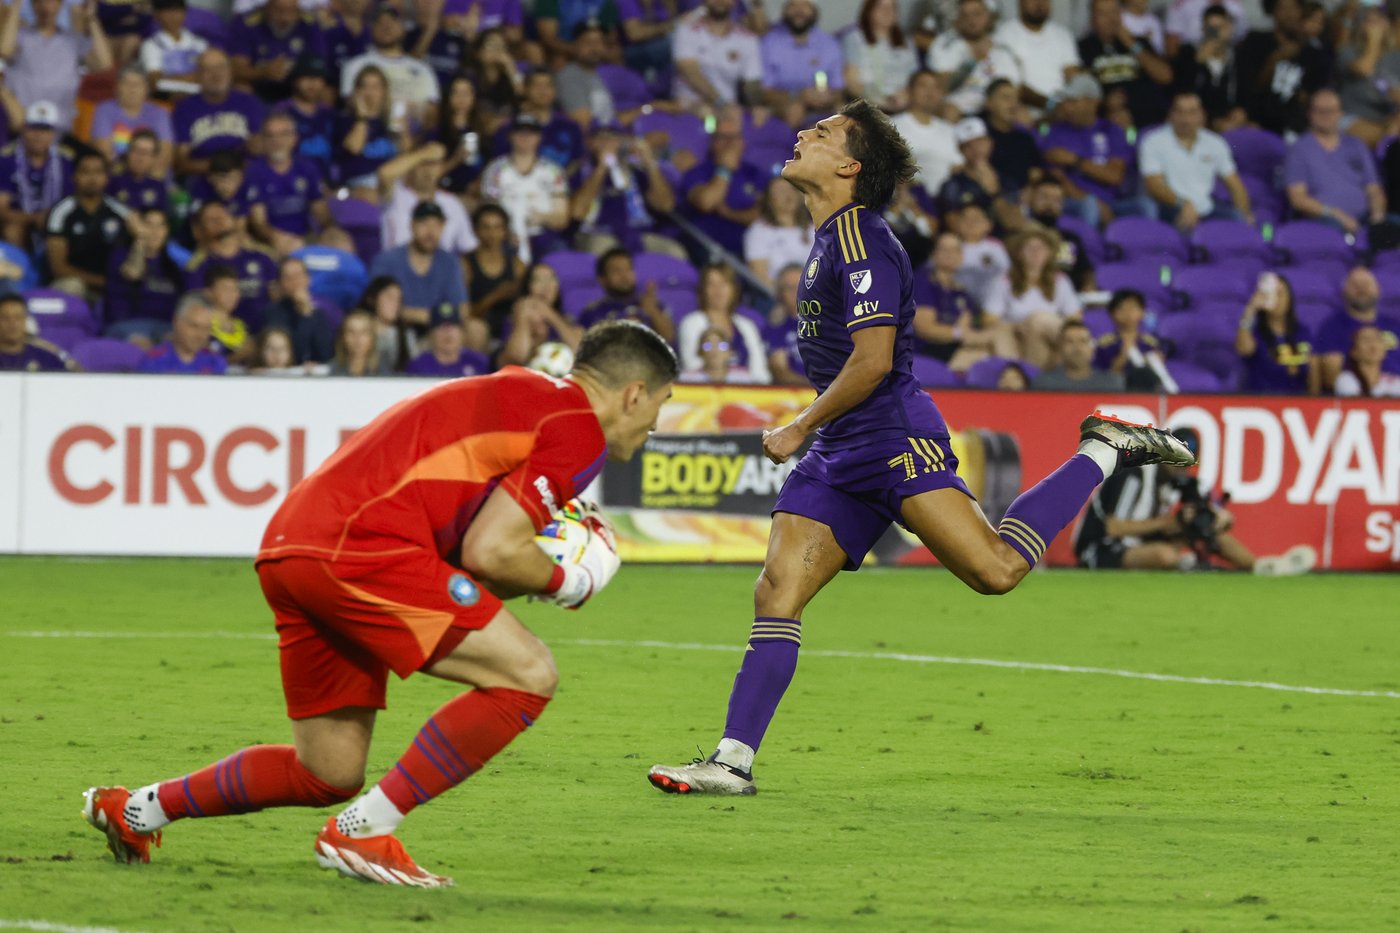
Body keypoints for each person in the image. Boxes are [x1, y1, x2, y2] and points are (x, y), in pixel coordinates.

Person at [646, 99, 1192, 797]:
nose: (803, 134)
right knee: (776, 591)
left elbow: (873, 361)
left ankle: (1104, 448)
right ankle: (731, 760)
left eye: (823, 133)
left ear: (849, 166)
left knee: (994, 569)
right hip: (843, 448)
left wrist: (798, 424)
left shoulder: (864, 239)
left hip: (893, 435)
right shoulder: (827, 238)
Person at [85, 321, 674, 883]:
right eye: (661, 404)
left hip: (295, 545)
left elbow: (472, 560)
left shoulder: (521, 393)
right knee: (527, 673)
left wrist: (534, 567)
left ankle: (136, 811)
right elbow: (492, 551)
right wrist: (571, 581)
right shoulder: (577, 427)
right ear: (634, 393)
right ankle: (362, 832)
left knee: (328, 770)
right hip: (362, 548)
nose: (655, 423)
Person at [1076, 428, 1316, 574]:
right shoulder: (1136, 473)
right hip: (1100, 547)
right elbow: (1112, 527)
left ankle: (1262, 568)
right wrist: (1167, 523)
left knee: (1215, 536)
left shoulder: (1178, 481)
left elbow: (1211, 512)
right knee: (1165, 555)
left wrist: (1218, 519)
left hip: (1140, 541)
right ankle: (1186, 565)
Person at [1039, 74, 1145, 227]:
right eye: (1066, 101)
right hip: (1074, 201)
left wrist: (1075, 160)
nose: (1067, 107)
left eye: (1074, 101)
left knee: (1144, 205)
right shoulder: (1055, 132)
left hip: (1114, 202)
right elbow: (1057, 179)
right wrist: (1093, 202)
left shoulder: (1111, 130)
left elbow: (1114, 177)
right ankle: (1090, 249)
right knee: (1089, 207)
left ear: (1093, 103)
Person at [1140, 91, 1253, 230]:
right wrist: (1183, 204)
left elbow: (1235, 185)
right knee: (1187, 224)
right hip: (1169, 207)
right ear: (1171, 114)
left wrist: (1245, 214)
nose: (1185, 119)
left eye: (1192, 112)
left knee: (1237, 219)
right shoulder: (1153, 141)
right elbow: (1154, 185)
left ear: (1202, 115)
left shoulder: (1215, 142)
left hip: (1206, 207)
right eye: (1180, 112)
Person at [1284, 89, 1388, 237]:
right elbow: (1298, 198)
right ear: (1309, 114)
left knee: (1392, 227)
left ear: (1341, 113)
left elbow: (1374, 189)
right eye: (1319, 110)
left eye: (1331, 110)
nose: (1325, 115)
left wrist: (1377, 216)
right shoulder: (1299, 149)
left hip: (1365, 219)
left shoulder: (1357, 145)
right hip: (1324, 221)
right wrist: (1336, 215)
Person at [569, 121, 680, 257]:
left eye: (613, 137)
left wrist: (650, 163)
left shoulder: (635, 171)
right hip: (596, 233)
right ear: (590, 142)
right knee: (605, 252)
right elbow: (577, 212)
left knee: (674, 252)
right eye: (601, 138)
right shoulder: (580, 171)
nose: (608, 143)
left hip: (639, 231)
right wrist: (601, 168)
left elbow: (665, 206)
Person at [0, 0, 113, 133]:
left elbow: (104, 63)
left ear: (60, 5)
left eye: (51, 2)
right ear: (32, 6)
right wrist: (16, 6)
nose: (45, 7)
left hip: (60, 128)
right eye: (39, 2)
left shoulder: (73, 40)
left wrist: (92, 19)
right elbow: (4, 51)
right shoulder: (21, 37)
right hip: (22, 126)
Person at [913, 230, 1016, 370]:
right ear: (934, 254)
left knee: (1001, 332)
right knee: (990, 353)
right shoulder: (923, 281)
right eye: (944, 249)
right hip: (927, 350)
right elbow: (925, 329)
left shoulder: (960, 291)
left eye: (955, 250)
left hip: (957, 348)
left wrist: (966, 333)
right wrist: (959, 333)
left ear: (961, 256)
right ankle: (1019, 382)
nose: (950, 254)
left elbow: (968, 325)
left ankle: (1016, 380)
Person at [368, 200, 472, 338]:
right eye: (423, 224)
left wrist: (428, 317)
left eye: (436, 225)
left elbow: (462, 310)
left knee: (474, 329)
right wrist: (424, 316)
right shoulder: (387, 260)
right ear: (411, 226)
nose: (430, 232)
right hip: (396, 329)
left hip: (437, 331)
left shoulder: (449, 262)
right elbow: (374, 306)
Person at [983, 224, 1082, 367]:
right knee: (1033, 322)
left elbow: (1074, 317)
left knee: (1041, 320)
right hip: (1017, 338)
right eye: (1029, 248)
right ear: (1019, 253)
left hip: (1051, 339)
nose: (1036, 252)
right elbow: (989, 320)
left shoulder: (1060, 280)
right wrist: (1019, 327)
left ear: (1049, 253)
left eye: (1041, 248)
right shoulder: (1004, 281)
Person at [679, 107, 767, 259]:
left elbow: (766, 214)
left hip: (755, 246)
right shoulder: (699, 172)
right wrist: (724, 170)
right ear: (712, 142)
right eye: (723, 138)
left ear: (743, 143)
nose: (729, 144)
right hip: (710, 246)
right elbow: (706, 203)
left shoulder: (755, 173)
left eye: (734, 138)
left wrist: (729, 213)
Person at [480, 114, 570, 263]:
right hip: (506, 235)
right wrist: (506, 232)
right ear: (511, 136)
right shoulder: (496, 170)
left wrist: (540, 217)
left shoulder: (553, 171)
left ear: (539, 137)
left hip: (542, 233)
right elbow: (489, 210)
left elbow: (562, 218)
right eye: (520, 132)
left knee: (558, 252)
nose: (525, 137)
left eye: (531, 133)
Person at [1234, 0, 1331, 136]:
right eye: (1283, 8)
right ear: (1272, 11)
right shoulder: (1255, 42)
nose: (1290, 14)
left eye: (1294, 8)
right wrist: (1275, 60)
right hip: (1259, 124)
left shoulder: (1314, 54)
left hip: (1297, 128)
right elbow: (1248, 88)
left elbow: (1314, 96)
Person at [46, 151, 132, 304]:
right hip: (77, 285)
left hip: (114, 286)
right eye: (85, 172)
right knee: (71, 286)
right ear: (74, 176)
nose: (92, 178)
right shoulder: (61, 212)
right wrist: (103, 282)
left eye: (98, 172)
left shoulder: (122, 212)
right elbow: (58, 268)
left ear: (107, 177)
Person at [247, 111, 333, 256]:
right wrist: (279, 238)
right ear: (262, 140)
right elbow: (259, 222)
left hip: (305, 237)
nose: (276, 141)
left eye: (283, 135)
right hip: (269, 241)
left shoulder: (307, 168)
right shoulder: (254, 171)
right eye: (270, 136)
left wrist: (331, 231)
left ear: (294, 138)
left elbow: (320, 209)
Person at [185, 201, 278, 331]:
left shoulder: (262, 256)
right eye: (211, 219)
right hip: (222, 336)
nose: (219, 221)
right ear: (200, 230)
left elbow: (277, 297)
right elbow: (196, 309)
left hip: (264, 334)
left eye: (222, 215)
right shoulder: (198, 266)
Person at [172, 49, 266, 177]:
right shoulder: (184, 108)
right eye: (208, 70)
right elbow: (181, 162)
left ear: (230, 71)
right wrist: (222, 167)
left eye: (221, 67)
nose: (216, 74)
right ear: (198, 76)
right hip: (202, 177)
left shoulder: (248, 102)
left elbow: (259, 149)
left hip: (245, 175)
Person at [1078, 0, 1172, 129]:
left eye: (1114, 12)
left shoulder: (1138, 42)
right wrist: (1105, 102)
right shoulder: (1083, 48)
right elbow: (1081, 89)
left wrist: (1130, 43)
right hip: (1105, 123)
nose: (1111, 19)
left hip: (1149, 120)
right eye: (1103, 14)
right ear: (1092, 18)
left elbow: (1165, 76)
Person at [339, 6, 439, 125]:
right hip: (370, 134)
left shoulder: (423, 70)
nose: (386, 27)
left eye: (392, 22)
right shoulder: (355, 66)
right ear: (371, 29)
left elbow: (432, 112)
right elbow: (352, 105)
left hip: (413, 136)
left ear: (403, 28)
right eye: (380, 22)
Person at [377, 141, 477, 256]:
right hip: (396, 269)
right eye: (423, 164)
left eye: (433, 165)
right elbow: (384, 174)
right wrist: (423, 154)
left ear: (441, 168)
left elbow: (469, 246)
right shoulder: (396, 196)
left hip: (439, 271)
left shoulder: (452, 203)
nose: (428, 171)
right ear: (411, 167)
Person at [677, 262, 771, 383]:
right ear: (703, 290)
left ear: (734, 289)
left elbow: (760, 372)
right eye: (712, 284)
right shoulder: (691, 323)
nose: (718, 290)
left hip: (746, 394)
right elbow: (692, 365)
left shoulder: (747, 325)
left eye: (724, 283)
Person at [928, 0, 1020, 119]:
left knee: (1022, 115)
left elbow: (1015, 88)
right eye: (965, 15)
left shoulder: (1001, 49)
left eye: (977, 14)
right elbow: (943, 88)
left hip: (996, 112)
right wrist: (971, 64)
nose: (971, 20)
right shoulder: (945, 45)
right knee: (949, 113)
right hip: (960, 111)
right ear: (958, 20)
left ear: (989, 16)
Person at [105, 207, 184, 344]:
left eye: (161, 226)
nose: (155, 232)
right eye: (148, 225)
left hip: (165, 328)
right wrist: (140, 238)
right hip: (127, 326)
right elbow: (134, 272)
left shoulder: (172, 265)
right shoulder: (121, 255)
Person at [0, 101, 73, 249]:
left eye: (45, 129)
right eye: (33, 128)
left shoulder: (65, 162)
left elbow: (71, 204)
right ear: (24, 130)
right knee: (12, 229)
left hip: (56, 222)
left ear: (54, 134)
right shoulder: (7, 160)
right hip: (21, 221)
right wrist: (35, 218)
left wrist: (50, 219)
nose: (38, 135)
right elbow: (1, 209)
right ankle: (20, 270)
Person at [760, 0, 844, 127]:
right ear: (784, 9)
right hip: (785, 104)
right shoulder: (769, 42)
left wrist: (829, 97)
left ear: (814, 10)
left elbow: (838, 88)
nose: (798, 11)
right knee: (795, 110)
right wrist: (799, 96)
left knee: (843, 112)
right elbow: (765, 92)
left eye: (805, 5)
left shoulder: (829, 43)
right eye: (793, 5)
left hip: (823, 106)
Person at [1314, 266, 1400, 390]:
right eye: (1355, 285)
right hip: (1355, 394)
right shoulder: (1332, 327)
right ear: (1343, 292)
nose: (1362, 289)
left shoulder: (1394, 325)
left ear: (1378, 290)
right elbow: (1331, 378)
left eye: (1367, 284)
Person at [230, 0, 327, 102]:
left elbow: (319, 65)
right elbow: (236, 69)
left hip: (297, 87)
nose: (285, 18)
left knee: (323, 91)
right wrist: (263, 72)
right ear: (267, 7)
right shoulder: (246, 22)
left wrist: (297, 74)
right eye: (279, 10)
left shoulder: (310, 23)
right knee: (241, 87)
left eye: (291, 11)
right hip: (258, 85)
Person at [672, 0, 763, 109]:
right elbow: (691, 73)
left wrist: (757, 106)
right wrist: (720, 102)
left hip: (729, 111)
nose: (720, 1)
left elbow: (751, 82)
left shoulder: (748, 39)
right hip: (689, 107)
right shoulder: (687, 30)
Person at [333, 64, 406, 201]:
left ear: (384, 91)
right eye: (364, 87)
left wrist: (403, 131)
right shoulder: (345, 120)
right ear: (356, 91)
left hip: (393, 185)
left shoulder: (391, 122)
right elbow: (354, 147)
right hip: (359, 187)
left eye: (375, 87)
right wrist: (362, 117)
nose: (369, 92)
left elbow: (406, 154)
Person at [1170, 4, 1247, 132]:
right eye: (1212, 29)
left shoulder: (1238, 58)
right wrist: (1197, 63)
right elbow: (1179, 92)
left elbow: (1245, 95)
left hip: (1229, 122)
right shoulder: (1188, 53)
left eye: (1220, 28)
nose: (1216, 34)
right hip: (1195, 122)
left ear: (1230, 30)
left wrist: (1241, 112)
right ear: (1203, 29)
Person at [1237, 271, 1316, 394]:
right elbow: (1243, 349)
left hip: (1298, 403)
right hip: (1264, 401)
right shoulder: (1255, 334)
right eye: (1272, 294)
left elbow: (1312, 372)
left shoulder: (1302, 332)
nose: (1277, 300)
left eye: (1281, 294)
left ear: (1290, 298)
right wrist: (1251, 308)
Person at [993, 0, 1080, 110]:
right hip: (1023, 111)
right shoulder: (1005, 34)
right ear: (1020, 3)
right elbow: (1011, 86)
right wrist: (1051, 104)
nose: (1039, 3)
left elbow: (1073, 75)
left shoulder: (1062, 34)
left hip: (1062, 110)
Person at [577, 248, 676, 343]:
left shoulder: (653, 305)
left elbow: (669, 339)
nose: (624, 276)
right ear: (602, 279)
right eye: (616, 271)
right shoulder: (593, 313)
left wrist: (652, 310)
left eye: (628, 269)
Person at [1337, 4, 1400, 148]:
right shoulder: (1349, 51)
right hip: (1348, 117)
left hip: (1384, 120)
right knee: (1389, 142)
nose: (1375, 26)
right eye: (1370, 21)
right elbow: (1364, 69)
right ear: (1360, 27)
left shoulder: (1396, 57)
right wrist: (1374, 43)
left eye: (1380, 20)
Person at [890, 70, 961, 197]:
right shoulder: (893, 126)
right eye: (923, 86)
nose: (930, 92)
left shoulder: (949, 130)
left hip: (946, 200)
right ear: (909, 91)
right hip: (911, 199)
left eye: (935, 87)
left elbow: (957, 166)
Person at [89, 66, 173, 173]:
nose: (132, 89)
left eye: (137, 84)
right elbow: (104, 153)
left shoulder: (160, 113)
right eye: (126, 83)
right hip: (116, 177)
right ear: (117, 87)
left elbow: (164, 155)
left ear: (147, 89)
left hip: (153, 178)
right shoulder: (103, 110)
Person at [842, 0, 919, 114]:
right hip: (868, 104)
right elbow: (851, 82)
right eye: (881, 7)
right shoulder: (854, 38)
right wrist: (880, 102)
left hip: (904, 103)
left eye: (892, 8)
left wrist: (907, 96)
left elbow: (915, 78)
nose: (887, 12)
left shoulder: (907, 41)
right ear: (869, 11)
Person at [1024, 176, 1095, 290]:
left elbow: (1086, 271)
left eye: (1057, 200)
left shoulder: (1069, 239)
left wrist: (1089, 285)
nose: (1050, 205)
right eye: (1044, 197)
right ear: (1031, 199)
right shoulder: (1020, 237)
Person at [262, 256, 336, 365]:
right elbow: (292, 353)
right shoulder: (272, 313)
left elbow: (327, 354)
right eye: (287, 277)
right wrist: (306, 315)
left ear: (308, 279)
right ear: (280, 283)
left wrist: (309, 313)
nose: (294, 281)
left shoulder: (321, 313)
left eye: (298, 275)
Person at [744, 176, 814, 288]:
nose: (787, 195)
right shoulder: (759, 232)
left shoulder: (814, 228)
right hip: (776, 297)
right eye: (780, 191)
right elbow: (760, 276)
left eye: (791, 188)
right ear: (769, 200)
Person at [1091, 288, 1165, 391]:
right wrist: (1123, 355)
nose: (1127, 313)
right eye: (1121, 308)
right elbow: (1101, 377)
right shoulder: (1104, 345)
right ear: (1111, 314)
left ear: (1142, 312)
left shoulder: (1151, 344)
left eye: (1132, 308)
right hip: (1114, 393)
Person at [138, 292, 228, 374]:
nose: (201, 335)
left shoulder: (215, 362)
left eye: (206, 328)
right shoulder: (154, 361)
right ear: (177, 322)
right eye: (194, 326)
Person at [1032, 319, 1127, 390]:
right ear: (1060, 348)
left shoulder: (1111, 384)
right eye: (1070, 341)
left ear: (1093, 348)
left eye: (1083, 341)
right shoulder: (1044, 384)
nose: (1077, 348)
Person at [405, 302, 492, 377]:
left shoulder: (480, 362)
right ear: (431, 334)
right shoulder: (418, 366)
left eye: (452, 327)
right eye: (441, 327)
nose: (447, 333)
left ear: (462, 332)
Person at [140, 0, 207, 92]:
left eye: (177, 11)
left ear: (185, 13)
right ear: (156, 15)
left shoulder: (200, 44)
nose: (173, 16)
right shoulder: (150, 45)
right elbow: (155, 81)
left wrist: (171, 78)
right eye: (168, 11)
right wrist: (190, 77)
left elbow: (207, 76)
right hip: (165, 97)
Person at [0, 291, 73, 370]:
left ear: (25, 321)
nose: (12, 324)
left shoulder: (47, 359)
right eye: (5, 318)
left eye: (18, 318)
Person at [765, 262, 808, 386]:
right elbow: (780, 372)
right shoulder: (776, 328)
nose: (795, 292)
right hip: (797, 397)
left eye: (800, 286)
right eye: (789, 288)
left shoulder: (832, 323)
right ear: (780, 293)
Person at [107, 129, 168, 212]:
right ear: (128, 153)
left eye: (146, 153)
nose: (140, 158)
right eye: (136, 151)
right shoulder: (112, 181)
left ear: (154, 158)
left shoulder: (159, 186)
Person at [1335, 324, 1400, 397]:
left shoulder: (1396, 382)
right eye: (1366, 339)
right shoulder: (1346, 379)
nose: (1373, 344)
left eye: (1377, 339)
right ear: (1353, 352)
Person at [329, 309, 389, 376]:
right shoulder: (330, 370)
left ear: (372, 338)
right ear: (343, 337)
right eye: (351, 332)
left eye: (364, 332)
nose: (357, 338)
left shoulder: (384, 369)